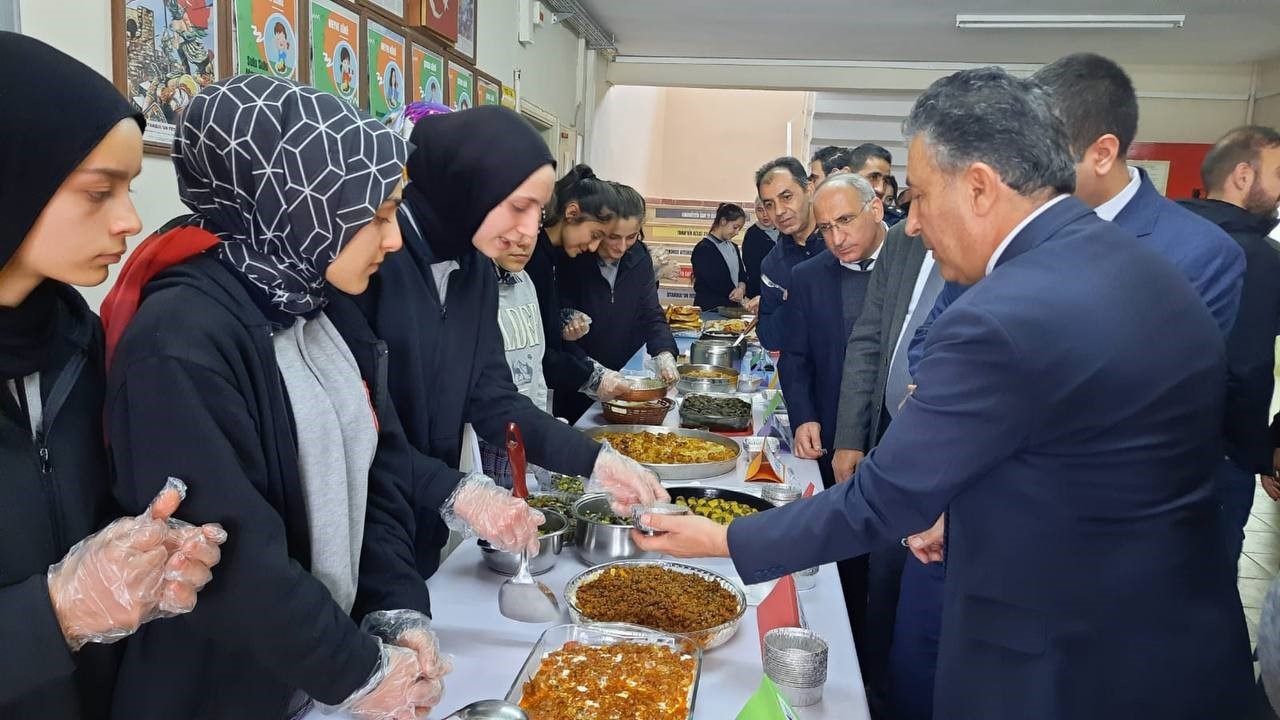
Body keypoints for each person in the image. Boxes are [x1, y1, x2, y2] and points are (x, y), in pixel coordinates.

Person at [635, 66, 1253, 720]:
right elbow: (1086, 455)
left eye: (923, 197)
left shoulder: (1002, 312)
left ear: (980, 187)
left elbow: (882, 499)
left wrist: (724, 541)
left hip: (1059, 662)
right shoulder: (1139, 265)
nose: (913, 225)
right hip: (1176, 643)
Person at [884, 52, 1250, 720]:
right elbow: (939, 342)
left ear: (1101, 151)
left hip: (1089, 594)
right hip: (957, 544)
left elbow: (1131, 418)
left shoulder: (1192, 255)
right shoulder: (1001, 236)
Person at [102, 75, 447, 719]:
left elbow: (371, 476)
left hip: (311, 678)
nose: (394, 240)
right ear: (302, 203)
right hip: (221, 693)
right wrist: (358, 670)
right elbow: (232, 552)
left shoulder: (320, 306)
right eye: (375, 216)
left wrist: (394, 604)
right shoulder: (181, 339)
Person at [0, 33, 224, 720]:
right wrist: (55, 612)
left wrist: (142, 556)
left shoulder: (75, 335)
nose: (129, 220)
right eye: (100, 192)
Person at [344, 109, 668, 581]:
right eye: (519, 207)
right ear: (467, 185)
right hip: (358, 525)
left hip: (419, 525)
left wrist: (593, 459)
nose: (531, 229)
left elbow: (493, 398)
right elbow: (361, 429)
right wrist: (456, 491)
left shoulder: (474, 269)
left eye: (539, 211)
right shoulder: (372, 262)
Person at [1181, 125, 1280, 565]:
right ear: (1243, 175)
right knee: (1204, 586)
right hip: (1214, 456)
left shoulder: (1158, 233)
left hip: (1131, 448)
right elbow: (1248, 367)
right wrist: (1258, 453)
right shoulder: (1254, 257)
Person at [555, 183, 679, 422]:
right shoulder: (573, 258)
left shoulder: (639, 257)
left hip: (626, 380)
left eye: (631, 237)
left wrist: (664, 352)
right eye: (613, 237)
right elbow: (557, 332)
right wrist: (593, 375)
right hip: (577, 382)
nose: (621, 247)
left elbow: (651, 314)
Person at [528, 165, 634, 408]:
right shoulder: (532, 259)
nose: (594, 247)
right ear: (572, 212)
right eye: (595, 234)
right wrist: (592, 376)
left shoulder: (555, 259)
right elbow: (539, 353)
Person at [477, 231, 552, 487]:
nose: (524, 244)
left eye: (532, 233)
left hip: (525, 425)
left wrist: (541, 426)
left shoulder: (524, 279)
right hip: (489, 434)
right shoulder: (472, 287)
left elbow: (536, 366)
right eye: (512, 231)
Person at [755, 157, 822, 350]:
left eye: (786, 197)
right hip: (797, 376)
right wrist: (794, 303)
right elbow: (768, 337)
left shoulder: (839, 246)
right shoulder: (773, 264)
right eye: (769, 204)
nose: (779, 211)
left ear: (809, 189)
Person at [690, 202, 747, 310]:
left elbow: (742, 276)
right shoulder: (702, 249)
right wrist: (736, 293)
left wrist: (741, 289)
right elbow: (714, 282)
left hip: (732, 310)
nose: (737, 232)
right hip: (710, 310)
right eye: (735, 227)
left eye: (739, 228)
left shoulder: (733, 247)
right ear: (723, 221)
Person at [848, 143, 905, 226]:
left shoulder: (896, 222)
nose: (881, 190)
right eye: (873, 177)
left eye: (885, 180)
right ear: (849, 175)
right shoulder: (828, 216)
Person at [741, 195, 779, 301]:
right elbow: (751, 269)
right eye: (760, 210)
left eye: (768, 209)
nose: (765, 215)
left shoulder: (785, 231)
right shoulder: (752, 234)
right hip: (758, 294)